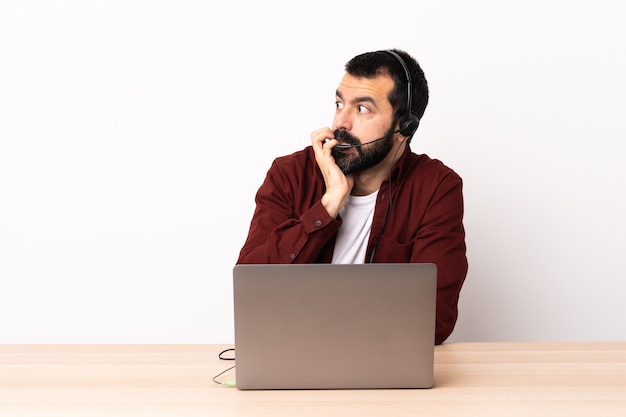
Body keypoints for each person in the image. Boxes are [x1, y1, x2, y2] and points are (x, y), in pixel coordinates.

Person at [237, 49, 467, 344]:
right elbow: (250, 291)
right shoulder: (289, 174)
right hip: (293, 354)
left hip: (384, 363)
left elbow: (435, 321)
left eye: (362, 109)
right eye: (339, 103)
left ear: (404, 127)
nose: (341, 123)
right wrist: (329, 202)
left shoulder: (436, 187)